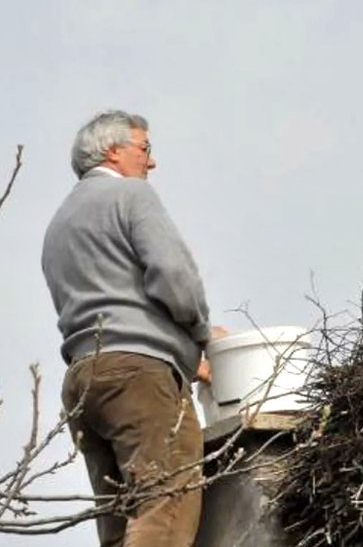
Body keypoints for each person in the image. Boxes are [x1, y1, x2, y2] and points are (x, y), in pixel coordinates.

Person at [42, 110, 215, 546]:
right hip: (139, 376)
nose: (151, 162)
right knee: (166, 504)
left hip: (83, 380)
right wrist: (200, 338)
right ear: (113, 151)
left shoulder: (58, 226)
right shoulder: (132, 197)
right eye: (145, 148)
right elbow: (175, 278)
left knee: (120, 526)